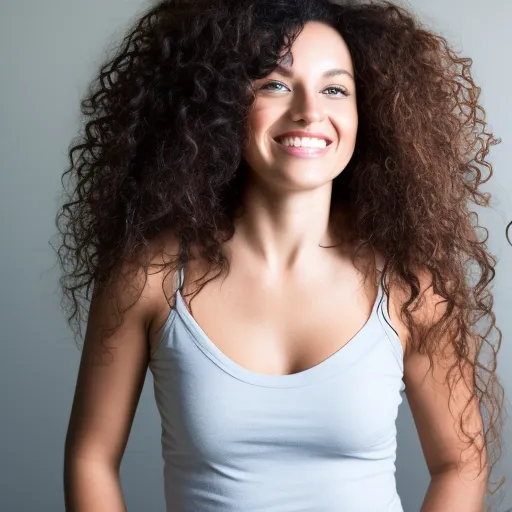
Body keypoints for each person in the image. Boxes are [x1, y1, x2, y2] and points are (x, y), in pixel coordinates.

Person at [56, 0, 506, 510]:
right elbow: (91, 457)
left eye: (335, 89)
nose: (310, 112)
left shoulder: (411, 285)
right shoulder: (150, 277)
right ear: (222, 105)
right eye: (275, 84)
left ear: (368, 113)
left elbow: (461, 462)